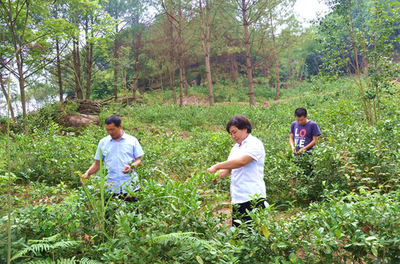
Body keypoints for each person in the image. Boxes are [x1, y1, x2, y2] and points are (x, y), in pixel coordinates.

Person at [207, 115, 266, 227]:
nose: (233, 136)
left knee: (254, 233)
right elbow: (228, 169)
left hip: (253, 197)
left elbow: (241, 161)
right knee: (239, 234)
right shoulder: (236, 148)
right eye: (231, 134)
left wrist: (217, 166)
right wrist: (215, 176)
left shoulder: (255, 144)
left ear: (245, 128)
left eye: (235, 132)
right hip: (237, 198)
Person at [81, 115, 144, 200]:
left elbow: (139, 160)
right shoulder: (103, 142)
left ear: (120, 126)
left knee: (133, 212)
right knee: (110, 212)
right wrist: (87, 173)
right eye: (107, 129)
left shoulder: (132, 141)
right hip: (111, 188)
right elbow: (97, 164)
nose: (110, 132)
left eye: (112, 129)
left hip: (130, 186)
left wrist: (131, 166)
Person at [289, 108, 321, 179]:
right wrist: (292, 147)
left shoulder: (313, 125)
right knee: (293, 174)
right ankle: (293, 189)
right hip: (296, 154)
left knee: (309, 174)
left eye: (302, 120)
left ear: (306, 116)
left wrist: (304, 149)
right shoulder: (294, 124)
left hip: (308, 154)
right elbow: (291, 138)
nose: (300, 122)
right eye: (298, 120)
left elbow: (315, 140)